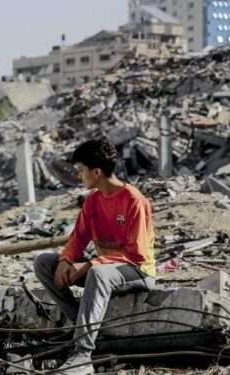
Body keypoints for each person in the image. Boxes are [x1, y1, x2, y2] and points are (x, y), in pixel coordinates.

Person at [34, 139, 156, 375]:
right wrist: (65, 261)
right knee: (43, 263)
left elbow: (136, 253)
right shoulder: (93, 201)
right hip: (106, 269)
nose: (79, 176)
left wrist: (90, 264)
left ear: (96, 172)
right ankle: (80, 323)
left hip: (137, 271)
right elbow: (78, 238)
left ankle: (82, 355)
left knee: (99, 274)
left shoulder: (134, 201)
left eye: (81, 171)